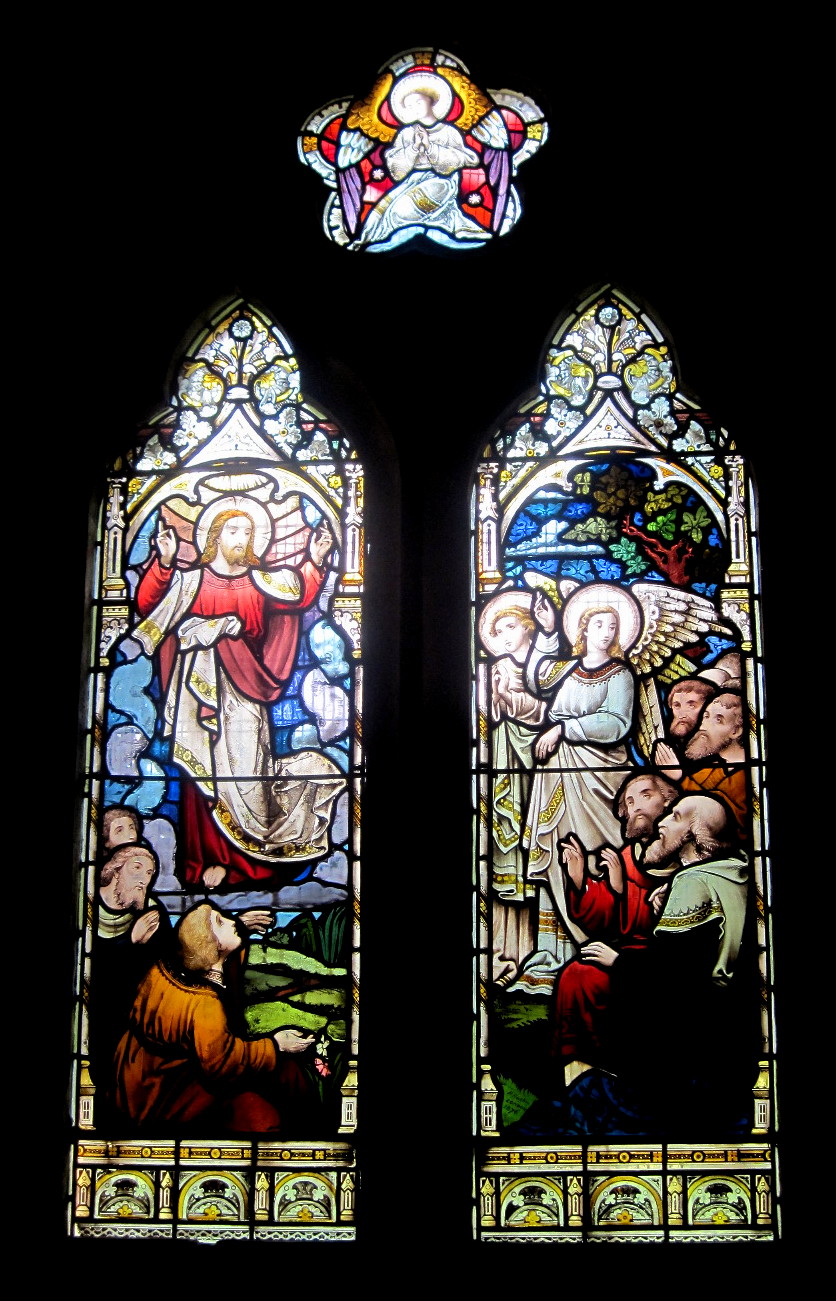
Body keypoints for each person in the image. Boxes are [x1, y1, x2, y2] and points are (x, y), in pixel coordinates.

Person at [133, 500, 341, 890]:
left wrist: (314, 560)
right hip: (195, 695)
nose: (241, 539)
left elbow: (298, 595)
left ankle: (250, 863)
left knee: (250, 776)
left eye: (247, 532)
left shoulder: (262, 581)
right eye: (232, 530)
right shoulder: (191, 581)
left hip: (247, 693)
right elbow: (151, 607)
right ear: (214, 537)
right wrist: (164, 562)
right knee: (200, 775)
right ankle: (204, 861)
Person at [576, 794, 755, 1135]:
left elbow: (672, 975)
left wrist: (619, 961)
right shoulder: (734, 871)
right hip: (729, 1024)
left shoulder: (693, 882)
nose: (662, 822)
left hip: (691, 1034)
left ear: (693, 835)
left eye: (675, 816)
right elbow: (705, 946)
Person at [114, 903, 314, 1132]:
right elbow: (221, 1063)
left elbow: (217, 961)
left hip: (139, 1080)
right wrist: (276, 1045)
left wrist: (239, 927)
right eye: (221, 922)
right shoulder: (204, 1004)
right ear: (209, 946)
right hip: (169, 1095)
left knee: (284, 1075)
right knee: (263, 1112)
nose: (231, 920)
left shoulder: (166, 970)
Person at [522, 589, 636, 958]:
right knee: (560, 852)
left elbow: (617, 723)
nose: (607, 631)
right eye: (599, 624)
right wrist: (547, 631)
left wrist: (564, 729)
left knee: (602, 855)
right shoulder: (568, 668)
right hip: (558, 774)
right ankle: (557, 950)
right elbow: (536, 680)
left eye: (613, 626)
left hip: (601, 775)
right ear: (583, 629)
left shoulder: (620, 674)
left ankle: (610, 940)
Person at [554, 773, 678, 1084]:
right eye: (630, 802)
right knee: (578, 976)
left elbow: (670, 922)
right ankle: (581, 1075)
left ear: (668, 801)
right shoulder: (626, 857)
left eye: (645, 796)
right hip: (625, 952)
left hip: (663, 960)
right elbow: (604, 917)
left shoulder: (684, 853)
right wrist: (580, 881)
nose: (636, 807)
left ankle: (631, 1077)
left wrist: (623, 889)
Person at [480, 594, 547, 983]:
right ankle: (503, 953)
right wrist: (499, 699)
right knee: (507, 855)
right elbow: (488, 713)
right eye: (498, 630)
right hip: (506, 760)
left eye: (511, 627)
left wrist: (513, 700)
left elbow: (551, 712)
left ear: (529, 627)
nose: (504, 636)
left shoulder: (546, 666)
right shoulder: (497, 668)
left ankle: (538, 952)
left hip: (542, 766)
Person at [352, 73, 488, 250]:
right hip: (411, 181)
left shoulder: (448, 132)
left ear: (431, 100)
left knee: (400, 211)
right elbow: (396, 171)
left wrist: (430, 147)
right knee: (378, 218)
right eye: (409, 106)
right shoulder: (406, 133)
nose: (414, 108)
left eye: (418, 102)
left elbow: (464, 159)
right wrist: (414, 148)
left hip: (441, 182)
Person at [657, 692, 747, 837]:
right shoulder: (711, 768)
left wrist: (680, 778)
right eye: (706, 716)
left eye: (718, 719)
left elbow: (719, 816)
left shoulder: (748, 775)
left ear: (736, 731)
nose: (704, 725)